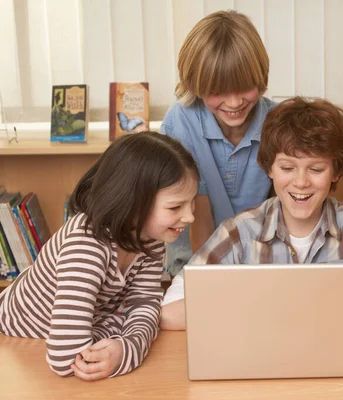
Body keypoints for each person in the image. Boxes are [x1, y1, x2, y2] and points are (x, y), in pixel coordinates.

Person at [160, 97, 343, 330]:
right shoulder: (239, 231)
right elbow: (170, 312)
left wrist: (282, 311)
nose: (300, 182)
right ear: (269, 168)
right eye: (287, 168)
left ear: (336, 172)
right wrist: (278, 312)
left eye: (316, 169)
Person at [0, 132, 199, 380]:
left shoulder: (149, 237)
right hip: (20, 333)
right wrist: (123, 326)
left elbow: (146, 307)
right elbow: (65, 357)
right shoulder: (87, 246)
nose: (190, 217)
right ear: (133, 202)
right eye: (175, 207)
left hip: (89, 318)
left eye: (191, 203)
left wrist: (126, 348)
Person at [161, 10, 276, 276]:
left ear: (261, 78)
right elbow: (198, 216)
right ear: (195, 84)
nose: (234, 103)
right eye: (218, 91)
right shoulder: (180, 121)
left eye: (245, 87)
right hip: (195, 263)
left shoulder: (277, 122)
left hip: (260, 263)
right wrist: (212, 282)